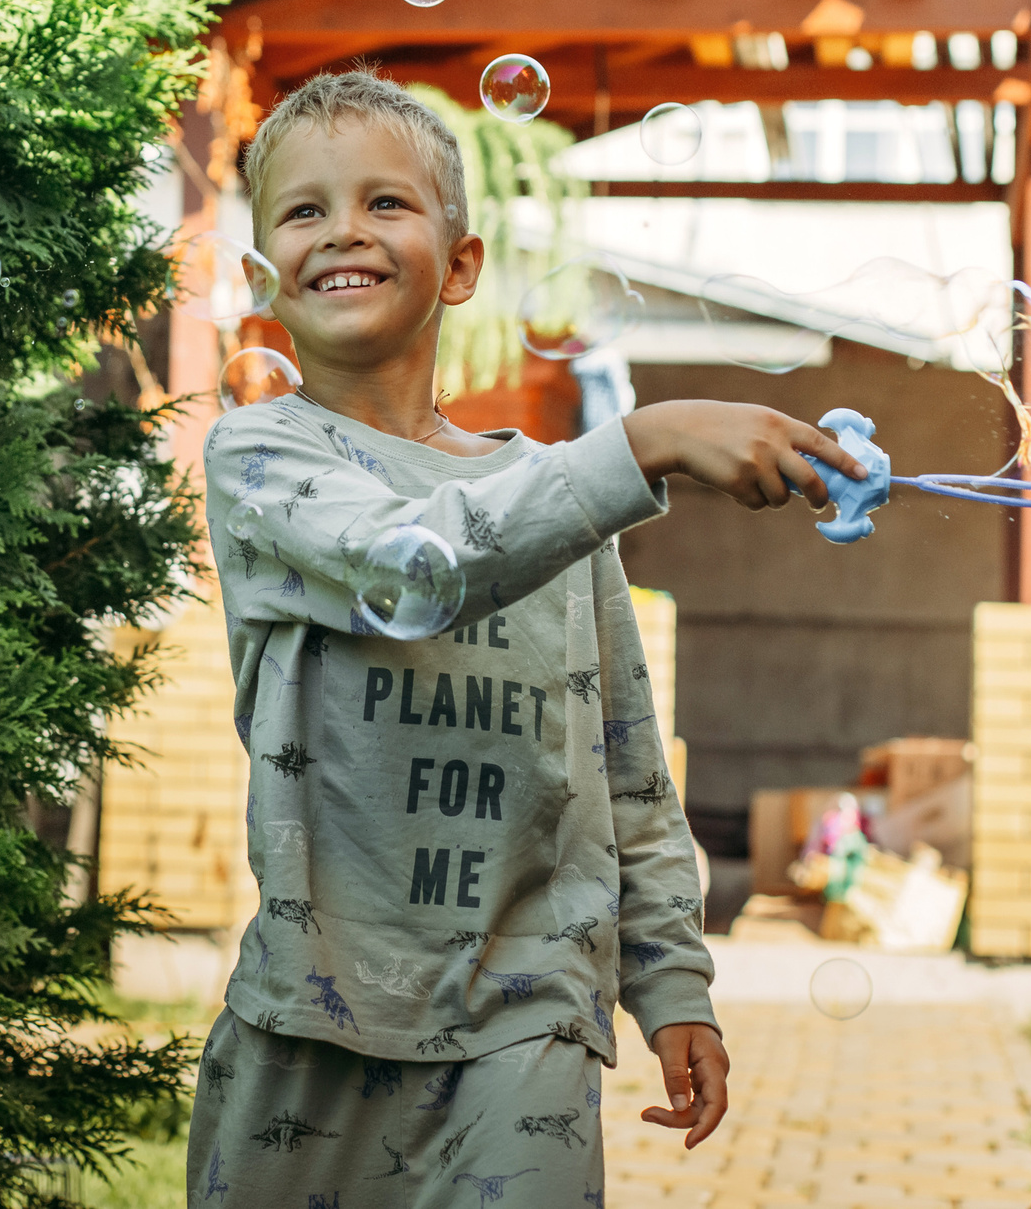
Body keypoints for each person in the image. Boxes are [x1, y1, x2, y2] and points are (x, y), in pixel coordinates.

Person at [188, 70, 865, 1205]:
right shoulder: (261, 458)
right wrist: (641, 442)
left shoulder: (557, 502)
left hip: (528, 1021)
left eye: (385, 203)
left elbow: (627, 773)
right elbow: (410, 559)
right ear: (269, 270)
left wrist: (671, 982)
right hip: (312, 1017)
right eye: (303, 210)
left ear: (460, 264)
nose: (342, 228)